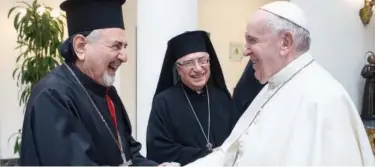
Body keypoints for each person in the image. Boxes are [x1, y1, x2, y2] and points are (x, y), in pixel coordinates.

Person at [186, 1, 375, 166]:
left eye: (252, 40)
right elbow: (232, 154)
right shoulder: (274, 86)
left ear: (285, 42)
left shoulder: (324, 99)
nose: (245, 51)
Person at [19, 0, 171, 166]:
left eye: (124, 47)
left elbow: (129, 154)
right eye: (116, 46)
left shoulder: (108, 92)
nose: (124, 56)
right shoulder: (52, 96)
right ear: (81, 47)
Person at [146, 31, 239, 165]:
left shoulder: (222, 97)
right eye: (189, 63)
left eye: (202, 61)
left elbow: (236, 138)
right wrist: (208, 156)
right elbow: (159, 149)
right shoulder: (163, 101)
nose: (198, 69)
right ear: (178, 69)